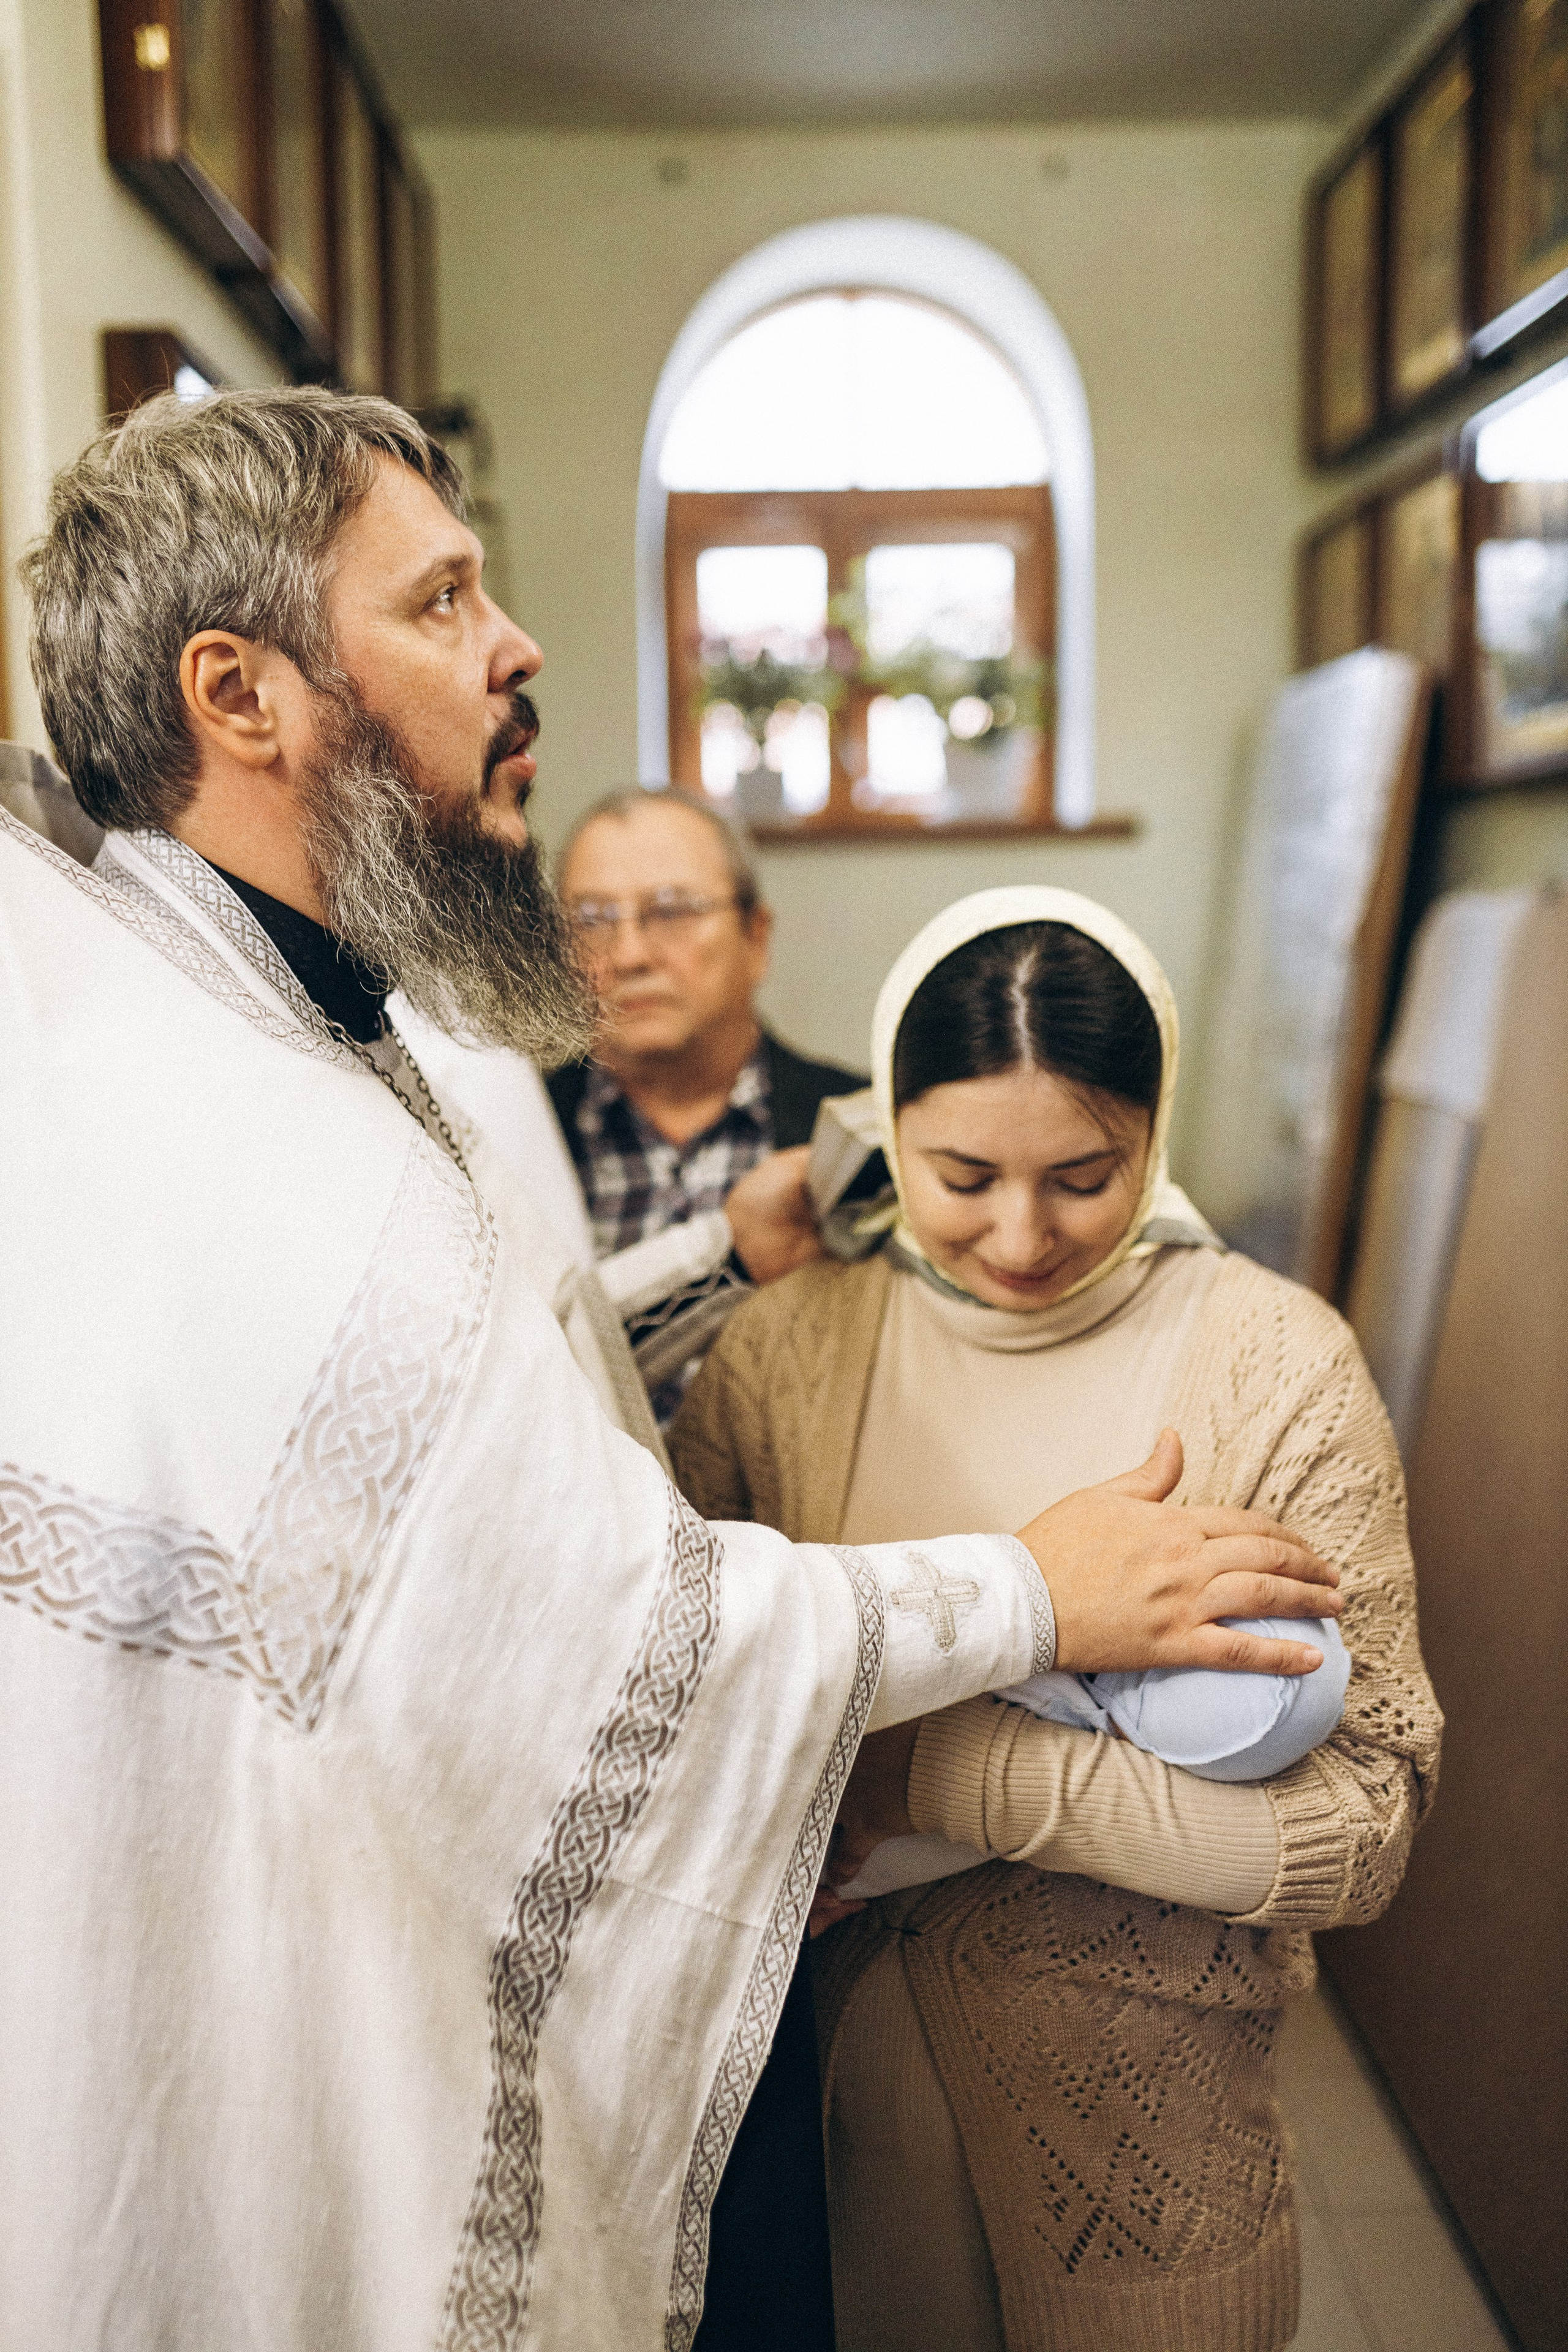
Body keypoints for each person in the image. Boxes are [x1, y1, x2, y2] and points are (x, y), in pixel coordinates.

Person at [1, 391, 1343, 2352]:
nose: (516, 643)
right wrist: (1041, 1587)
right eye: (443, 597)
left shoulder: (267, 1014)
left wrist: (723, 1254)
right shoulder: (227, 1133)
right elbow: (605, 1625)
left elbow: (471, 1418)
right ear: (245, 694)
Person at [669, 886, 1441, 2352]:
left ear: (1152, 1138)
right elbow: (678, 1680)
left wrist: (922, 1770)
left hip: (1153, 2188)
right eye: (957, 1173)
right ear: (884, 1127)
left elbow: (1361, 1829)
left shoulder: (1269, 1364)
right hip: (813, 2176)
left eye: (1084, 1177)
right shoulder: (785, 1352)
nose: (1018, 1237)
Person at [543, 785, 860, 1420]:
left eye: (672, 912)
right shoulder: (513, 1135)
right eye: (592, 919)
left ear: (756, 937)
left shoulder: (855, 1129)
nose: (630, 955)